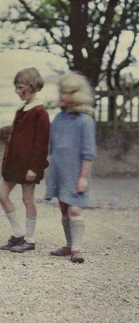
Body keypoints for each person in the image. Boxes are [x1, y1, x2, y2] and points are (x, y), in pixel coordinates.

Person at [0, 68, 50, 253]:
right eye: (16, 87)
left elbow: (41, 144)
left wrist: (34, 168)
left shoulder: (40, 111)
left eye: (20, 88)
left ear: (31, 86)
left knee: (28, 199)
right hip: (14, 163)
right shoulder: (22, 108)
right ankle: (18, 233)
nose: (17, 92)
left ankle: (30, 239)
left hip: (29, 166)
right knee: (1, 195)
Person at [45, 72, 96, 263]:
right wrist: (49, 170)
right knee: (64, 208)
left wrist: (83, 177)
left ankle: (77, 249)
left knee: (75, 210)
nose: (60, 97)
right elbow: (53, 148)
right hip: (60, 172)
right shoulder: (58, 118)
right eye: (60, 92)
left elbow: (88, 152)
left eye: (65, 93)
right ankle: (68, 244)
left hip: (76, 174)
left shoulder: (85, 120)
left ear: (76, 95)